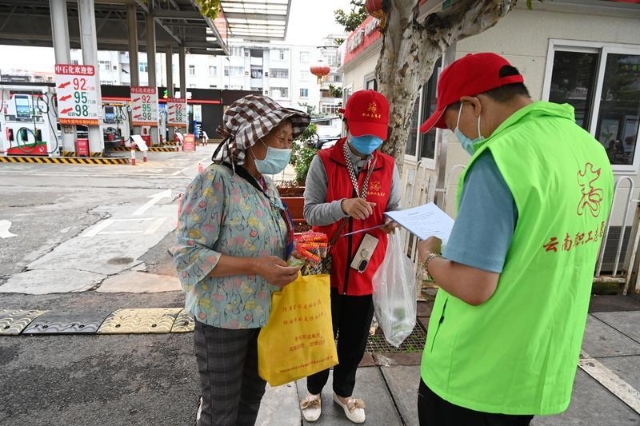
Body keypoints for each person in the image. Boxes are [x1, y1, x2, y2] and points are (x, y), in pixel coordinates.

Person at [416, 52, 614, 425]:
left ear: (474, 105)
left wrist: (428, 257)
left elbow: (475, 286)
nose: (454, 134)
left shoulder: (498, 159)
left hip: (473, 375)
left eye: (450, 122)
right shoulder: (587, 148)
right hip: (535, 365)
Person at [173, 94, 310, 426]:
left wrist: (297, 249)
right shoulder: (215, 181)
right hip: (223, 321)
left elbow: (270, 237)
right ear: (254, 137)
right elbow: (188, 254)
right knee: (221, 412)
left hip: (262, 316)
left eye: (290, 139)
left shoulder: (266, 186)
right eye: (281, 138)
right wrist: (255, 266)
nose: (287, 146)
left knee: (251, 401)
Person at [300, 89, 402, 424]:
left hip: (366, 270)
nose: (371, 141)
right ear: (346, 125)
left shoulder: (388, 166)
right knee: (320, 335)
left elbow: (396, 209)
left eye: (377, 135)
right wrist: (342, 206)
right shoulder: (325, 160)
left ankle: (344, 393)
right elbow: (312, 213)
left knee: (355, 342)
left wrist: (391, 222)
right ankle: (313, 391)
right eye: (363, 133)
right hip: (326, 268)